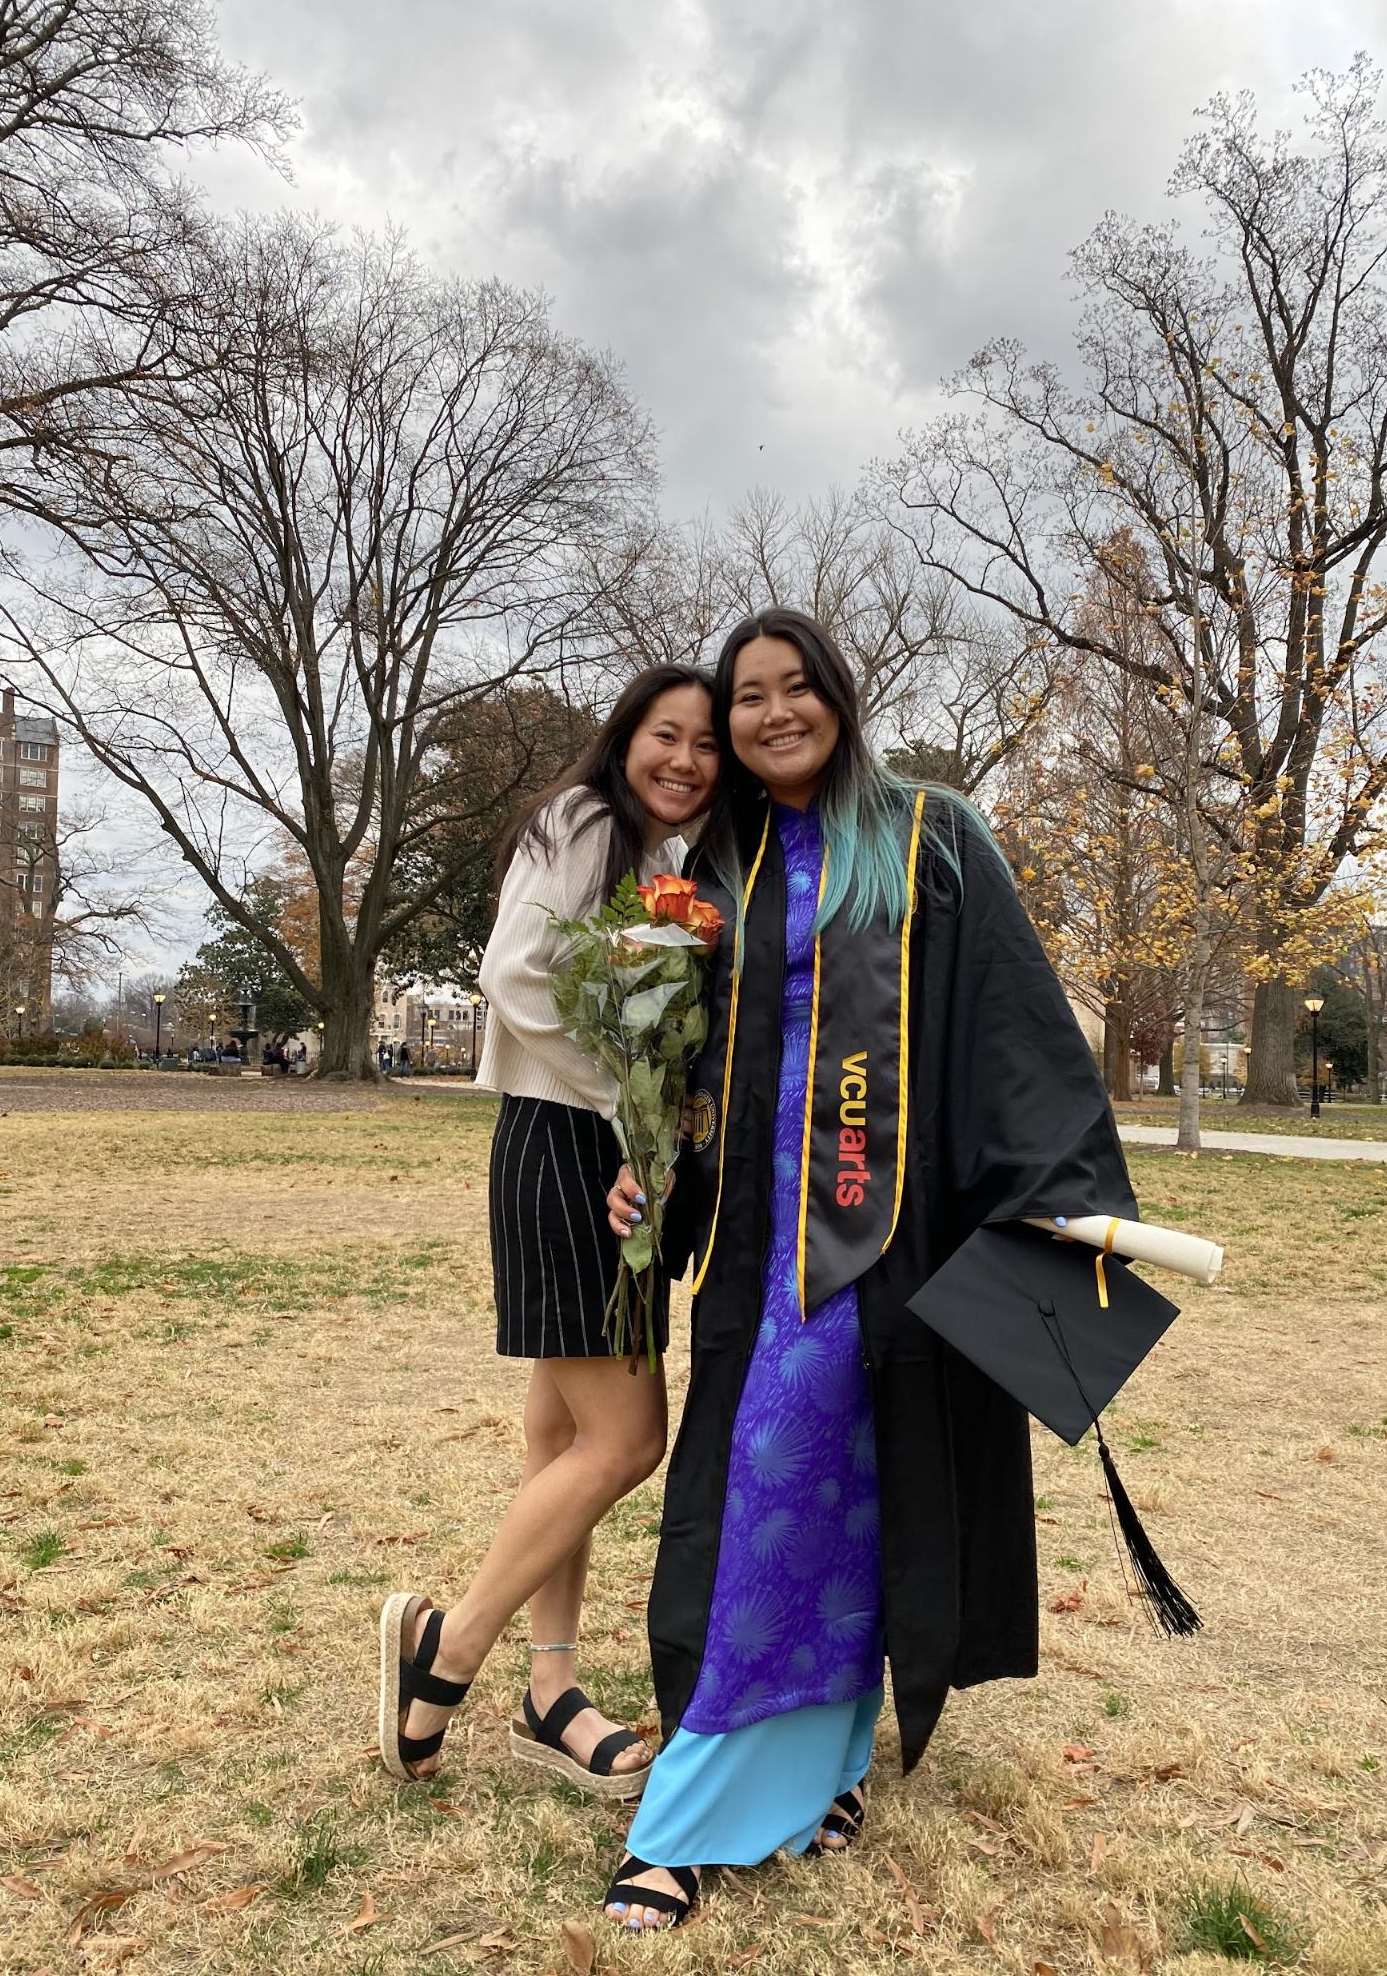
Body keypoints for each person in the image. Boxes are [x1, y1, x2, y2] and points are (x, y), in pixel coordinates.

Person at [600, 610, 1140, 1930]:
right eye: (747, 698)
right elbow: (679, 1053)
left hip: (881, 1233)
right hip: (753, 1246)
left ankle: (794, 1773)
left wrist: (1058, 1220)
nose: (773, 712)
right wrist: (649, 1158)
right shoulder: (712, 860)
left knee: (853, 1487)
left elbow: (1013, 1024)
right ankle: (732, 1789)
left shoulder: (930, 834)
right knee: (765, 1487)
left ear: (838, 695)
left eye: (796, 688)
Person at [378, 663, 721, 1802]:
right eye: (664, 735)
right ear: (625, 740)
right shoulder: (584, 821)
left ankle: (552, 1693)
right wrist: (638, 1106)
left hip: (599, 1149)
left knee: (559, 1441)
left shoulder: (682, 862)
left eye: (705, 745)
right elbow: (513, 978)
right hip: (573, 1152)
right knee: (625, 1443)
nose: (684, 759)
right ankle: (452, 1648)